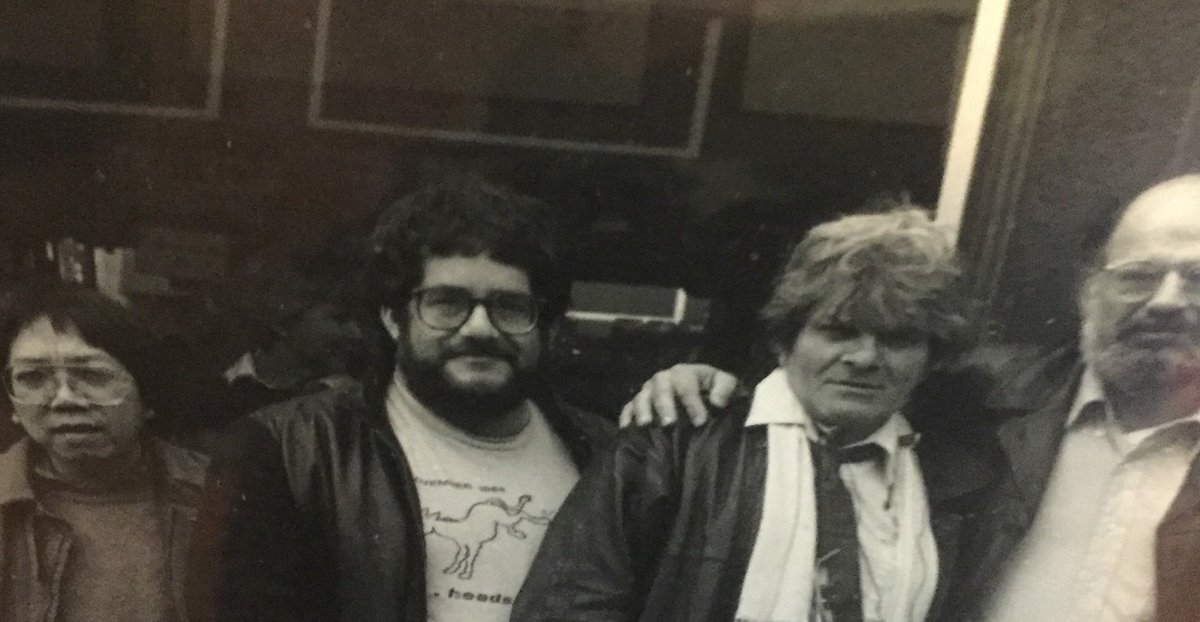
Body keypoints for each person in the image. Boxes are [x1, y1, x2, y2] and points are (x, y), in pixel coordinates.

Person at [619, 174, 1200, 622]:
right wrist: (704, 382)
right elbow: (824, 395)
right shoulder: (985, 401)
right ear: (1090, 289)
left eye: (1197, 277)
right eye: (1138, 275)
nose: (1166, 302)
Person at [512, 208, 1001, 621]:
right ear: (785, 340)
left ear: (931, 357)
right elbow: (567, 608)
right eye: (838, 331)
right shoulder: (676, 444)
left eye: (897, 339)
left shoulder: (952, 477)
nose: (865, 357)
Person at [206, 178, 617, 622]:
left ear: (546, 327)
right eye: (447, 303)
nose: (480, 328)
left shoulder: (606, 457)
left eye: (510, 307)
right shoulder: (292, 448)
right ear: (392, 318)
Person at [0, 281, 210, 621]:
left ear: (147, 395)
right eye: (33, 378)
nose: (65, 399)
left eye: (93, 375)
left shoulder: (215, 494)